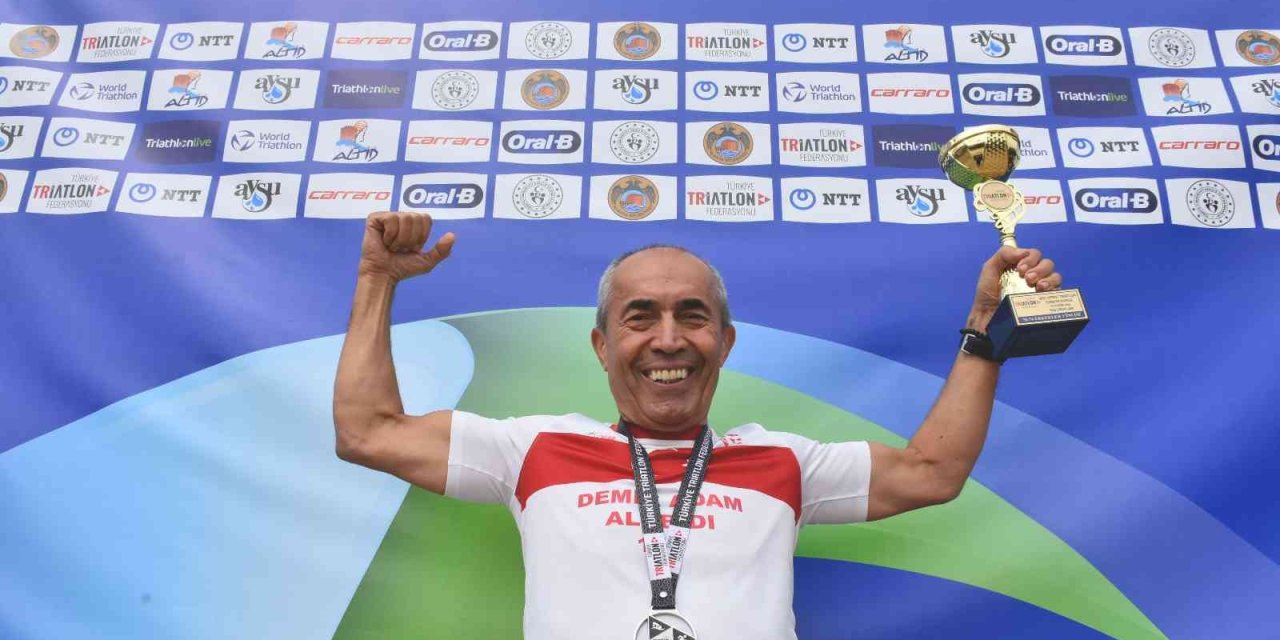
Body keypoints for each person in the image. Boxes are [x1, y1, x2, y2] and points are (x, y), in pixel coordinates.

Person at [333, 211, 1064, 640]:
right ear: (602, 346)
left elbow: (933, 472)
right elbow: (367, 430)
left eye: (692, 316)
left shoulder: (784, 462)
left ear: (725, 341)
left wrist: (982, 332)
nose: (668, 340)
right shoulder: (533, 450)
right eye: (639, 318)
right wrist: (377, 281)